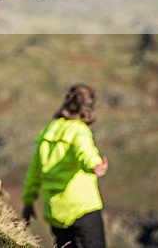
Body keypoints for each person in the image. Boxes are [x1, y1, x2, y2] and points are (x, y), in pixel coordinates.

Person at [22, 83, 109, 248]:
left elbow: (34, 172)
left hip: (55, 213)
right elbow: (85, 152)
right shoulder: (79, 130)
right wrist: (95, 165)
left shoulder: (49, 130)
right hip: (82, 209)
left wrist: (28, 201)